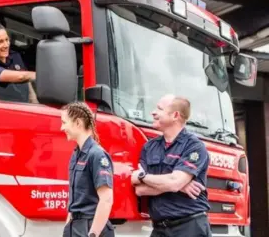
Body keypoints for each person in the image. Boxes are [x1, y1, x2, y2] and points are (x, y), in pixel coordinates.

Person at [131, 94, 211, 237]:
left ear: (175, 115)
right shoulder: (149, 147)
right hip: (159, 229)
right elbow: (140, 190)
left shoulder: (194, 146)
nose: (153, 112)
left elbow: (173, 183)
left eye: (159, 109)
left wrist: (142, 176)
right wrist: (180, 186)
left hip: (189, 228)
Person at [61, 102, 114, 237]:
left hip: (89, 227)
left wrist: (93, 234)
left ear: (78, 123)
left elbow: (106, 199)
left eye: (64, 122)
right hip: (75, 226)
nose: (62, 128)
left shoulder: (97, 155)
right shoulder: (76, 154)